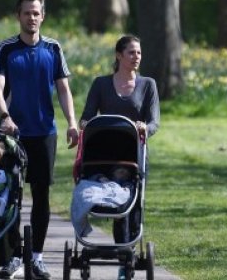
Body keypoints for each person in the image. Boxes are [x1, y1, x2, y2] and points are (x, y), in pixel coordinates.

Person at [0, 0, 79, 280]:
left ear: (43, 16)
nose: (32, 17)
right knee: (11, 194)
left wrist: (72, 122)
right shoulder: (5, 49)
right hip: (13, 134)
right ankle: (14, 256)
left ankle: (36, 257)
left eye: (36, 13)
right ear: (19, 16)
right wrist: (5, 117)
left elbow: (63, 89)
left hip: (44, 133)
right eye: (27, 13)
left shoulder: (53, 48)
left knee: (41, 195)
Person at [79, 34, 160, 280]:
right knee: (117, 202)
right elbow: (86, 117)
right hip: (105, 154)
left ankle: (128, 253)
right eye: (131, 53)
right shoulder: (101, 84)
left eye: (139, 53)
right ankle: (123, 251)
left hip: (134, 153)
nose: (137, 57)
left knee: (133, 203)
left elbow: (155, 121)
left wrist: (145, 127)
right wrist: (85, 125)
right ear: (118, 55)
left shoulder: (148, 85)